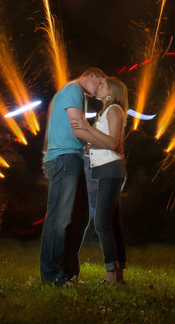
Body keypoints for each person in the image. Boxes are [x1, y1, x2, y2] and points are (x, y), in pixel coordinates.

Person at [39, 67, 117, 285]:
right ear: (92, 75)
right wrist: (111, 144)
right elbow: (78, 127)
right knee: (61, 219)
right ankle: (53, 275)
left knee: (79, 218)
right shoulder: (74, 90)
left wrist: (46, 154)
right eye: (100, 83)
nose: (98, 90)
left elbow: (61, 128)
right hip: (65, 159)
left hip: (69, 158)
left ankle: (68, 273)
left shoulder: (69, 93)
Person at [87, 76, 128, 284]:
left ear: (111, 92)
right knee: (111, 221)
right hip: (106, 169)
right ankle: (118, 272)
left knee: (101, 222)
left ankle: (110, 273)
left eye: (103, 85)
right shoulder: (104, 112)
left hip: (111, 169)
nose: (98, 86)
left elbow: (113, 142)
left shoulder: (114, 110)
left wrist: (89, 131)